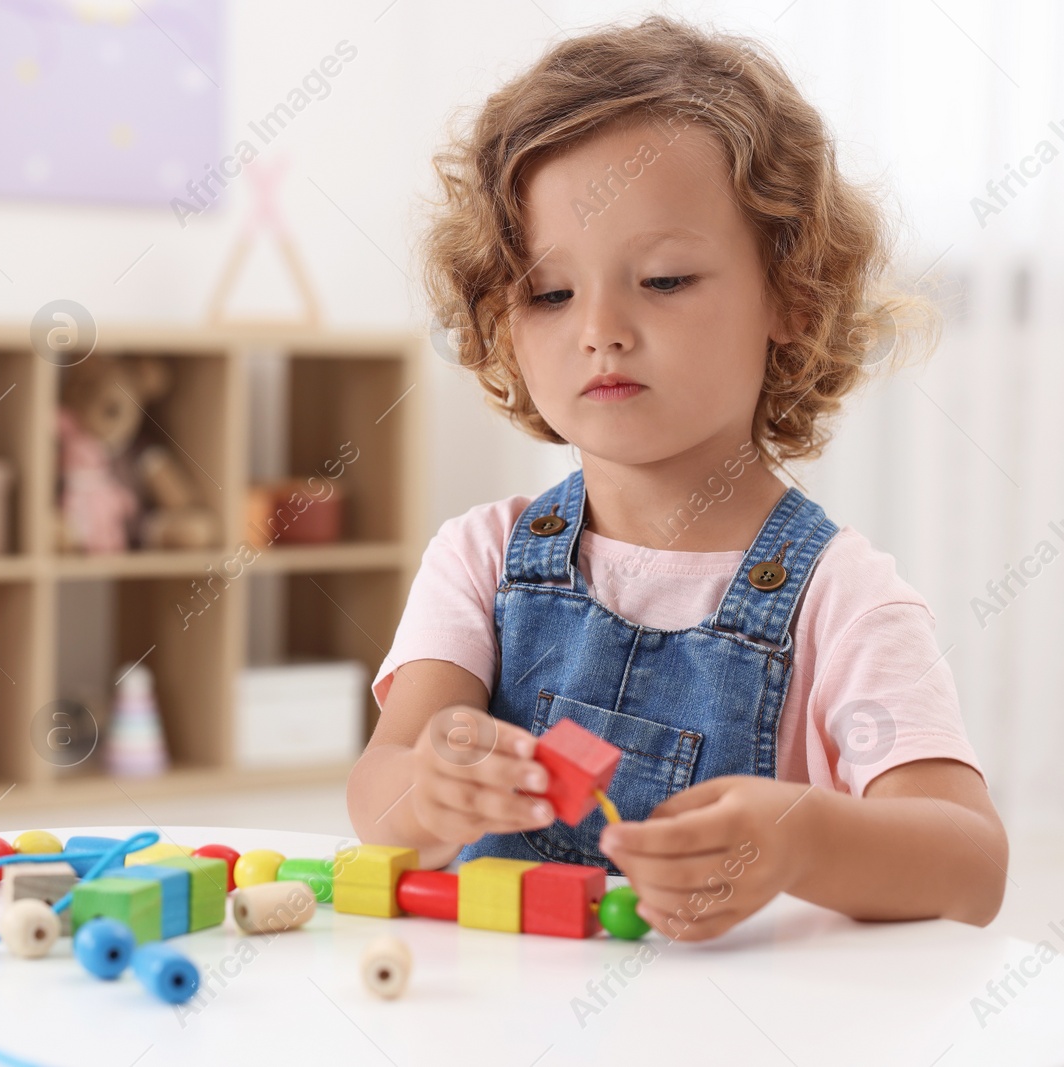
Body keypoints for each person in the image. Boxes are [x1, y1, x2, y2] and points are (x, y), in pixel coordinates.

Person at [347, 15, 1006, 940]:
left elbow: (970, 867)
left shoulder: (842, 600)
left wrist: (803, 836)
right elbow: (378, 798)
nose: (601, 327)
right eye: (549, 291)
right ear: (504, 320)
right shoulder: (482, 558)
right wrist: (430, 785)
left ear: (791, 296)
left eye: (662, 279)